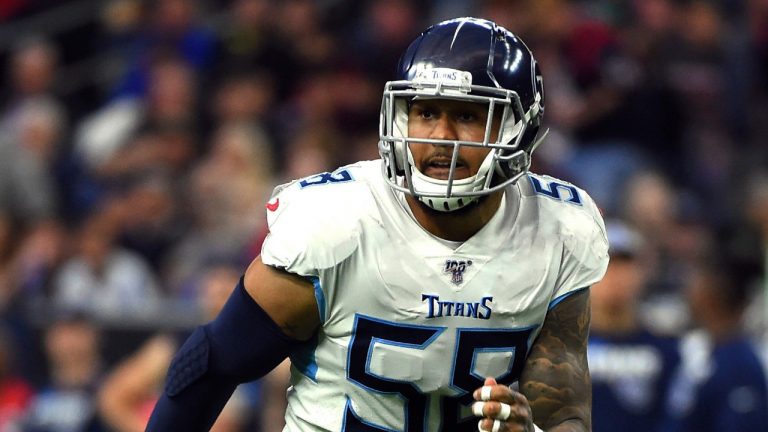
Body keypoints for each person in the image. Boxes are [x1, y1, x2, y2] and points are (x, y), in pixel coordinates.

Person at [147, 17, 609, 431]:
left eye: (468, 116)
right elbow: (211, 365)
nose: (440, 138)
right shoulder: (338, 223)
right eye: (426, 112)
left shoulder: (556, 229)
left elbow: (564, 406)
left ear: (518, 129)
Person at [588, 220, 680, 432]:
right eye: (606, 264)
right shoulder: (560, 347)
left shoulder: (665, 349)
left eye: (625, 266)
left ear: (642, 273)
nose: (615, 276)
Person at [662, 257, 768, 431]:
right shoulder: (698, 352)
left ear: (713, 293)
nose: (688, 291)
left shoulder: (741, 364)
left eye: (696, 281)